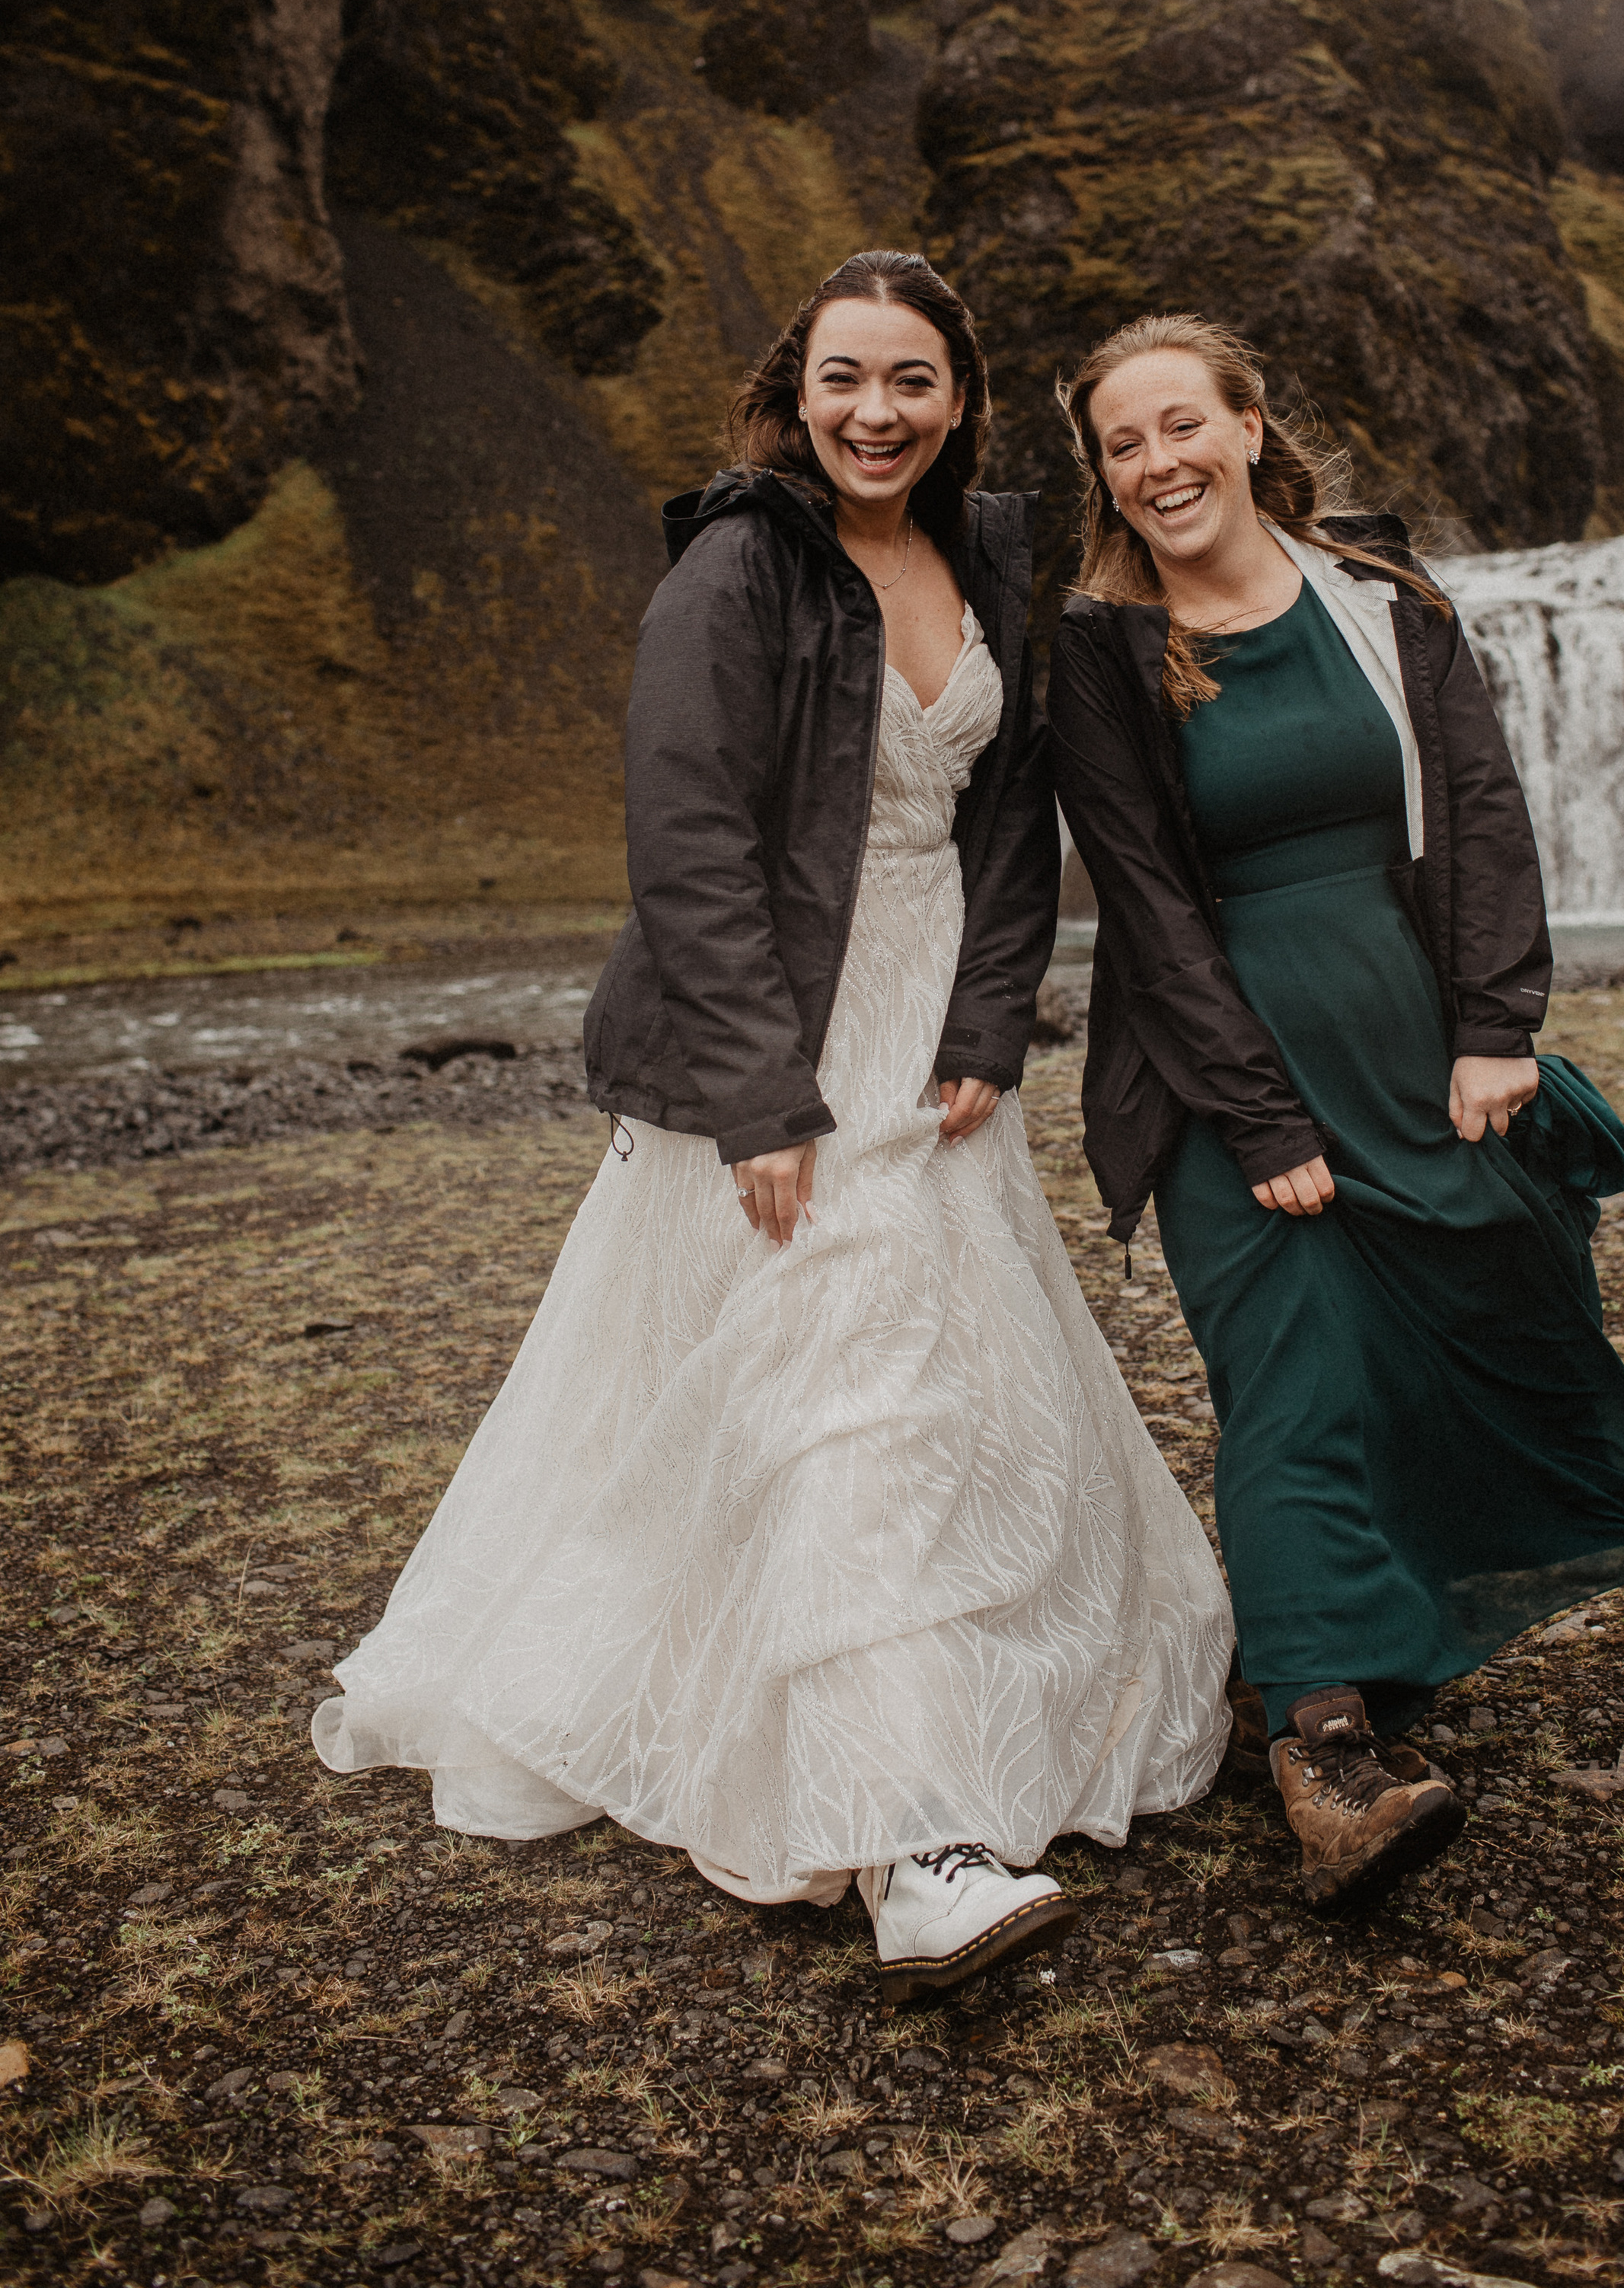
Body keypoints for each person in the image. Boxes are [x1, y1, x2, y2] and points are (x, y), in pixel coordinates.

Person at [313, 254, 1231, 1996]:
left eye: (908, 383)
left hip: (929, 1029)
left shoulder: (983, 559)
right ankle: (908, 1844)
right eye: (841, 381)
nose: (871, 415)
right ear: (792, 391)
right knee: (848, 1398)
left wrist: (985, 1022)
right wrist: (757, 1097)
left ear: (960, 397)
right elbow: (687, 844)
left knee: (944, 1380)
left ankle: (952, 1737)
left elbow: (1010, 806)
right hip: (785, 1038)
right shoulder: (737, 563)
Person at [1045, 314, 1624, 1913]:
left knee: (1492, 1308)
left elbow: (1478, 810)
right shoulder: (1104, 651)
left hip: (1413, 1043)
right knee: (1294, 1375)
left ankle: (1382, 1625)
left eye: (1180, 424)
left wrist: (1495, 1026)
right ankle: (1321, 1745)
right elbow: (1145, 909)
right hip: (1213, 1077)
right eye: (1121, 444)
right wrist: (1260, 1123)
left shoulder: (1382, 603)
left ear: (1251, 427)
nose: (1156, 463)